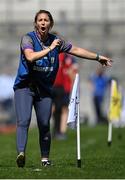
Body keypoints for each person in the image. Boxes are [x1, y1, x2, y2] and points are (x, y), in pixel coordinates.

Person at [13, 9, 112, 168]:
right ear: (35, 23)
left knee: (45, 124)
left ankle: (45, 159)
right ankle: (21, 153)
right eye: (40, 20)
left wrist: (98, 58)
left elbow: (76, 50)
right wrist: (50, 49)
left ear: (50, 24)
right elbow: (30, 56)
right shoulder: (28, 39)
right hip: (25, 87)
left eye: (46, 20)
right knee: (23, 120)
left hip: (44, 89)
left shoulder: (57, 41)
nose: (43, 22)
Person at [52, 52, 78, 139]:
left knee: (63, 109)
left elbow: (73, 73)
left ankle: (61, 131)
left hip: (64, 88)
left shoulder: (68, 58)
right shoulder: (55, 56)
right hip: (55, 87)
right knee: (56, 109)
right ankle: (56, 130)